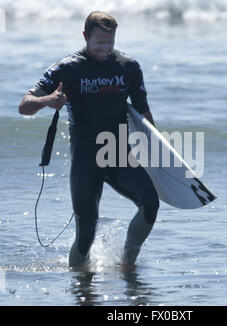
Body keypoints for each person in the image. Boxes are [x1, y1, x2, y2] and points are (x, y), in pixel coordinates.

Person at [19, 11, 159, 270]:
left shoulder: (128, 66)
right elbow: (24, 105)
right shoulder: (67, 69)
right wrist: (47, 101)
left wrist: (159, 150)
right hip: (86, 157)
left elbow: (143, 111)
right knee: (86, 233)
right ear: (85, 36)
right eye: (99, 44)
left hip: (118, 152)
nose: (105, 49)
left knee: (150, 204)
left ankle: (127, 263)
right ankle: (80, 285)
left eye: (110, 43)